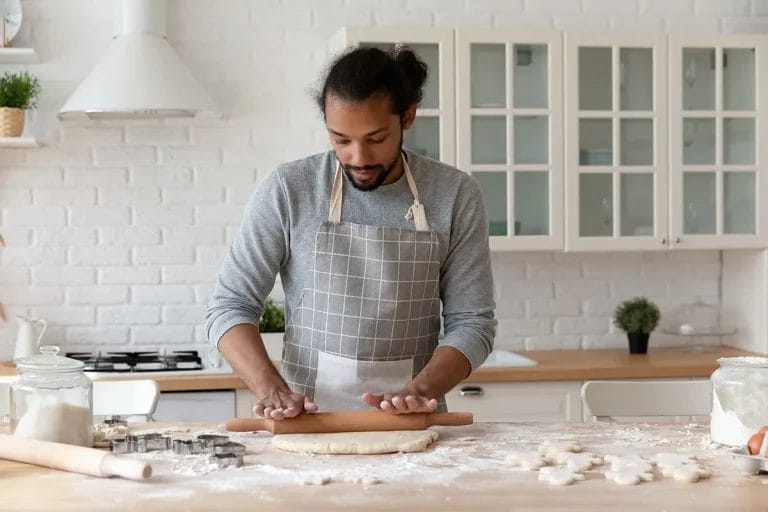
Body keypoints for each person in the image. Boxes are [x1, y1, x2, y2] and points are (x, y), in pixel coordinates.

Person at [205, 45, 496, 420]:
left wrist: (420, 391)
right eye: (341, 139)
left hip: (411, 425)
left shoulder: (454, 194)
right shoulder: (290, 189)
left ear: (407, 117)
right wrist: (271, 389)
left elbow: (473, 323)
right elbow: (230, 305)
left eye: (375, 139)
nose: (358, 157)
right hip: (304, 423)